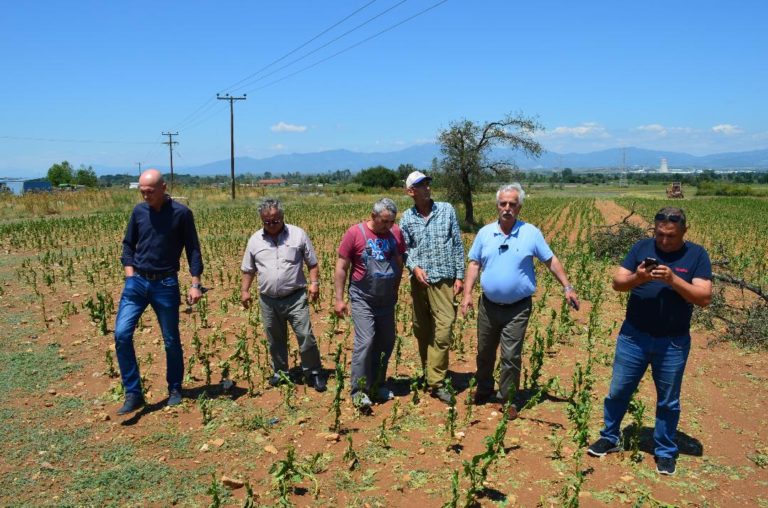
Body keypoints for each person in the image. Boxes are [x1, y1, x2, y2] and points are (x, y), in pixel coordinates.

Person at [587, 207, 712, 476]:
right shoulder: (641, 247)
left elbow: (703, 297)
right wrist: (639, 277)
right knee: (618, 391)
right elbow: (618, 283)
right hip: (634, 337)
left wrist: (673, 279)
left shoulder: (697, 255)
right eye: (660, 235)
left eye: (671, 236)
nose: (665, 241)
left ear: (684, 231)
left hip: (673, 342)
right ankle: (610, 436)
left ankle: (665, 451)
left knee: (668, 400)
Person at [460, 183, 579, 418]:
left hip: (518, 308)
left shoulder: (530, 233)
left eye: (512, 204)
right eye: (503, 204)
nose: (507, 208)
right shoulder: (485, 233)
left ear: (519, 207)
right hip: (488, 305)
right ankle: (484, 389)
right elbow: (474, 264)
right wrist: (467, 295)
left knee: (511, 355)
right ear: (497, 205)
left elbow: (550, 261)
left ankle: (508, 399)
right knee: (484, 351)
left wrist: (567, 287)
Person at [114, 169, 204, 415]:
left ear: (163, 187)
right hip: (137, 282)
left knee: (171, 340)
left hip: (165, 284)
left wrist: (195, 283)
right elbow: (128, 244)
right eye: (142, 192)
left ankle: (175, 388)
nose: (145, 196)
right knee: (121, 334)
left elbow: (193, 249)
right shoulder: (138, 212)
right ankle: (133, 393)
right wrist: (129, 274)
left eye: (150, 192)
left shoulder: (182, 214)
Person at [240, 198, 326, 392]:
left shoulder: (298, 235)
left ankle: (313, 372)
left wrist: (314, 284)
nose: (271, 225)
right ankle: (281, 371)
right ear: (262, 220)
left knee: (305, 335)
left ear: (282, 216)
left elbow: (312, 263)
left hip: (295, 297)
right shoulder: (255, 240)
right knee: (274, 338)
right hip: (268, 300)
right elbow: (248, 269)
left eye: (275, 220)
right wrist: (245, 291)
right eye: (267, 222)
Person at [399, 171, 465, 403]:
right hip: (420, 282)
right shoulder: (406, 218)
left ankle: (436, 382)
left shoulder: (446, 210)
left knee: (444, 328)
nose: (427, 187)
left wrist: (460, 276)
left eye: (427, 183)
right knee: (422, 328)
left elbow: (457, 243)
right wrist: (414, 268)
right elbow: (405, 250)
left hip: (445, 279)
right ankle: (430, 374)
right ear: (411, 192)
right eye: (421, 185)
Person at [334, 198, 405, 410]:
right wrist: (339, 299)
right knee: (366, 342)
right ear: (373, 216)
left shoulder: (395, 234)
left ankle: (378, 384)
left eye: (391, 221)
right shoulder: (355, 233)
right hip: (362, 298)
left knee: (386, 342)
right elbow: (341, 267)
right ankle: (359, 391)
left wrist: (395, 289)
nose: (388, 226)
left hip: (386, 300)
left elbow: (399, 264)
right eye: (384, 221)